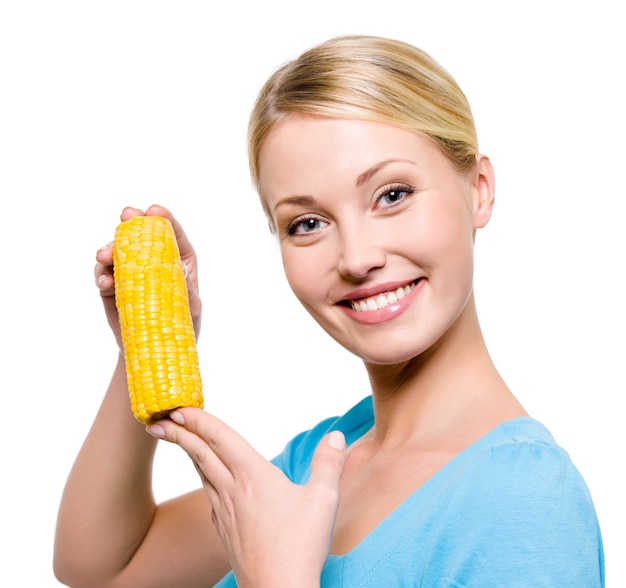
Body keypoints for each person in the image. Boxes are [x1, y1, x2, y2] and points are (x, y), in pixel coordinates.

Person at [53, 35, 605, 587]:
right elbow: (105, 568)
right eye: (307, 223)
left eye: (392, 194)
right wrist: (144, 349)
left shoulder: (528, 501)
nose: (357, 259)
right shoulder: (322, 460)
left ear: (478, 188)